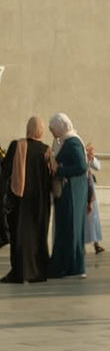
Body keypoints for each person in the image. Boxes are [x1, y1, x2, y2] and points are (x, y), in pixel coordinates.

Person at [0, 116, 52, 283]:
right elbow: (51, 176)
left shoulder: (17, 145)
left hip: (20, 199)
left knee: (20, 236)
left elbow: (5, 170)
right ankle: (38, 273)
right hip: (41, 201)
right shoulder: (46, 150)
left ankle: (19, 273)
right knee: (38, 235)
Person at [48, 113, 89, 279]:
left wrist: (60, 170)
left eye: (53, 129)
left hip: (72, 192)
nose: (52, 133)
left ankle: (71, 266)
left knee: (70, 228)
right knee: (67, 228)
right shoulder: (66, 141)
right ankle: (68, 265)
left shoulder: (72, 143)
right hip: (70, 191)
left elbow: (81, 166)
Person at [85, 144, 104, 254]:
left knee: (93, 218)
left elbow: (98, 167)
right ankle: (81, 245)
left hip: (90, 189)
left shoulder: (90, 158)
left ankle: (96, 243)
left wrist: (92, 158)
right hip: (82, 187)